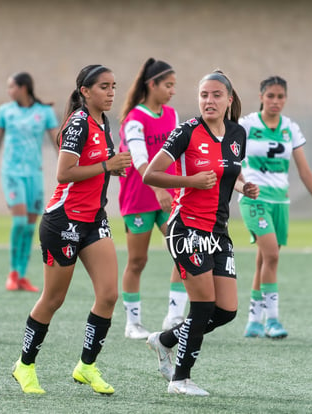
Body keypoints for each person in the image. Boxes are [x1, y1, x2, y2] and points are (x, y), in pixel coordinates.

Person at [11, 65, 132, 394]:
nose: (110, 92)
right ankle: (24, 365)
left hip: (94, 220)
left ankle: (86, 366)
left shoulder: (103, 122)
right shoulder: (78, 123)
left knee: (108, 295)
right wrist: (108, 164)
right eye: (104, 87)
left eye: (113, 86)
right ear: (85, 91)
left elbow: (96, 169)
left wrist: (117, 168)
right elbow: (65, 173)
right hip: (63, 221)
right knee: (53, 299)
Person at [143, 70, 259, 396]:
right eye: (204, 95)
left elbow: (226, 171)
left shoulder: (238, 134)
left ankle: (164, 339)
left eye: (216, 95)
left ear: (229, 100)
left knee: (226, 311)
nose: (209, 101)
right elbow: (152, 174)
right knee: (203, 306)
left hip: (218, 231)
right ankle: (179, 380)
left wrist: (242, 185)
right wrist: (191, 182)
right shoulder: (187, 131)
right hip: (186, 228)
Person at [239, 76, 312, 339]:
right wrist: (239, 184)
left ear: (286, 99)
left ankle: (253, 321)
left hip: (280, 201)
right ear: (261, 97)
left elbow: (304, 171)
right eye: (270, 96)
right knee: (272, 255)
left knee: (264, 259)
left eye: (280, 97)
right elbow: (230, 157)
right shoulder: (246, 125)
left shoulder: (290, 128)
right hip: (254, 199)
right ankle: (273, 320)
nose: (275, 101)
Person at [118, 58, 188, 339]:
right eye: (168, 85)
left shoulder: (172, 115)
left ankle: (175, 317)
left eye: (174, 86)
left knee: (183, 253)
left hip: (168, 197)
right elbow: (138, 158)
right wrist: (158, 189)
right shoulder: (135, 118)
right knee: (138, 260)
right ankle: (132, 323)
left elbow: (181, 154)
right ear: (152, 85)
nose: (172, 91)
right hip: (139, 197)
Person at [0, 72, 59, 292]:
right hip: (12, 173)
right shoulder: (5, 111)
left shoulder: (44, 112)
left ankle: (22, 276)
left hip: (34, 175)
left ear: (23, 87)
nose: (9, 91)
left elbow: (56, 143)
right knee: (19, 223)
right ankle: (13, 272)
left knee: (30, 227)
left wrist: (68, 169)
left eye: (11, 87)